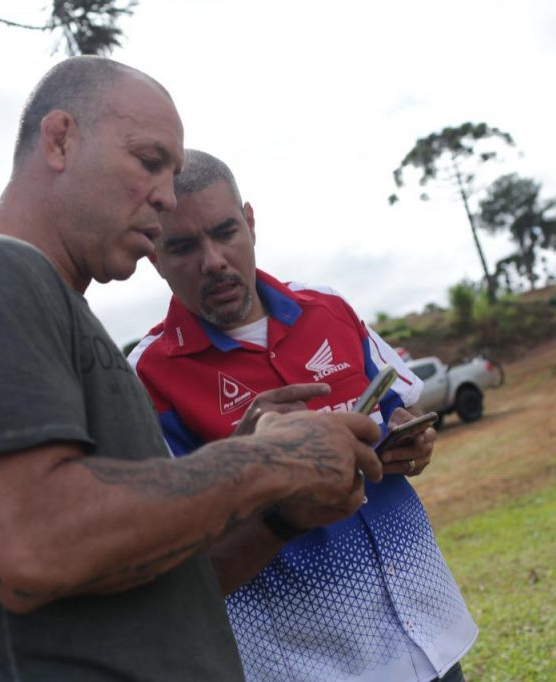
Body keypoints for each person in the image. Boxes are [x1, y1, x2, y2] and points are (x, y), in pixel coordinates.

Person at [0, 58, 384, 682]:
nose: (166, 194)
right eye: (148, 161)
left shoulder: (53, 311)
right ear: (60, 140)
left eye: (173, 171)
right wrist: (268, 463)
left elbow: (159, 578)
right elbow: (33, 543)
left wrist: (274, 507)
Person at [130, 150, 478, 682]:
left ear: (249, 221)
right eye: (183, 246)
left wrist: (412, 440)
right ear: (153, 252)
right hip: (315, 663)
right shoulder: (147, 377)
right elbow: (174, 559)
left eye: (225, 232)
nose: (214, 260)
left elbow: (399, 404)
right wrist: (250, 468)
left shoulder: (328, 308)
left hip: (427, 631)